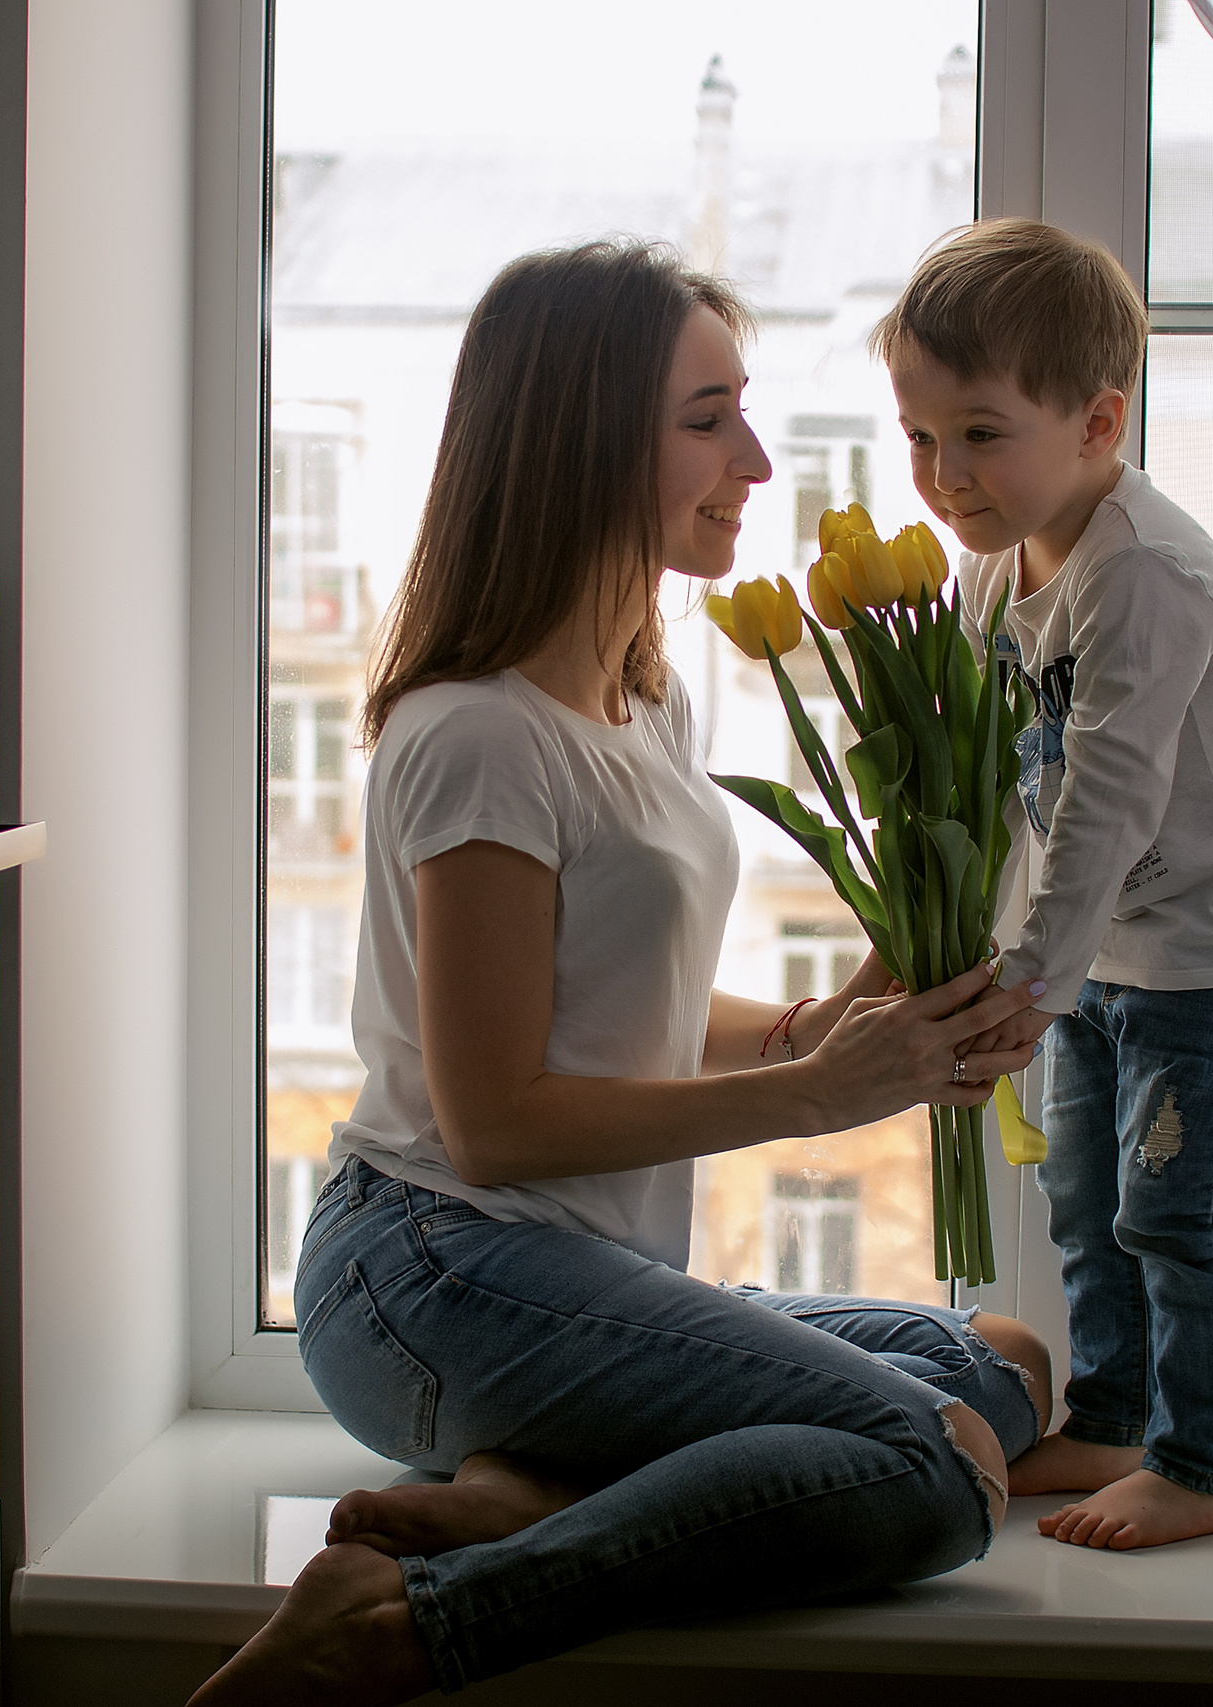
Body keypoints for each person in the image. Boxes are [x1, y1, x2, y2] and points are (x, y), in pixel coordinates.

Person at [192, 240, 1051, 1707]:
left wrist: (843, 1019)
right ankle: (401, 1627)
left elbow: (614, 1006)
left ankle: (530, 1487)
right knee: (935, 1465)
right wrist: (814, 1096)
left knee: (1003, 1368)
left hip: (577, 1267)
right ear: (583, 439)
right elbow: (496, 1121)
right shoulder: (479, 734)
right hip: (432, 1269)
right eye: (708, 420)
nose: (754, 463)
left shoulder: (644, 695)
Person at [878, 219, 1213, 1552]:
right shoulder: (997, 565)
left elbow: (1106, 803)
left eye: (980, 433)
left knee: (1173, 1209)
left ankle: (1204, 1463)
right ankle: (1117, 1419)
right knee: (1085, 1199)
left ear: (1097, 421)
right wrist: (989, 955)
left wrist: (1026, 982)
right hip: (1102, 956)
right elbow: (997, 785)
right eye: (920, 437)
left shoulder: (1141, 575)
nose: (945, 474)